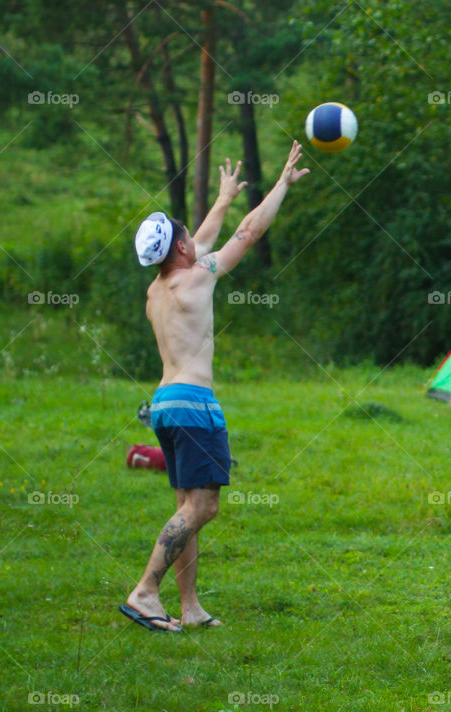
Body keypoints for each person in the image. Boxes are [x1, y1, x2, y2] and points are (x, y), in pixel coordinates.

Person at [120, 142, 309, 632]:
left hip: (163, 404)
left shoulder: (158, 289)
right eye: (187, 236)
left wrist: (224, 197)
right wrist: (282, 186)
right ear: (181, 249)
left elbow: (200, 240)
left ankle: (191, 608)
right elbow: (248, 233)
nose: (193, 239)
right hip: (193, 404)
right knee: (204, 507)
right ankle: (145, 591)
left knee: (186, 508)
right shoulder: (198, 278)